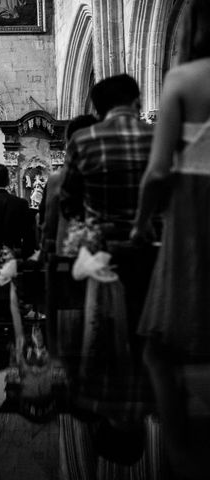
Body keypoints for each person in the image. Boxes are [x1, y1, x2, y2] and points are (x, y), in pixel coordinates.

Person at [133, 1, 210, 476]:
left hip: (195, 203)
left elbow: (158, 169)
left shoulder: (183, 80)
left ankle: (175, 427)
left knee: (171, 329)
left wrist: (143, 220)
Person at [60, 74, 156, 449]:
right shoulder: (158, 137)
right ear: (136, 101)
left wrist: (92, 221)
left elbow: (69, 200)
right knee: (146, 330)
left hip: (104, 254)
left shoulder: (84, 140)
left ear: (98, 110)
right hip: (152, 250)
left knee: (106, 335)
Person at [40, 115, 98, 257]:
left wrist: (44, 250)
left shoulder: (58, 178)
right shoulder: (107, 170)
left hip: (69, 248)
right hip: (101, 248)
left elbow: (49, 223)